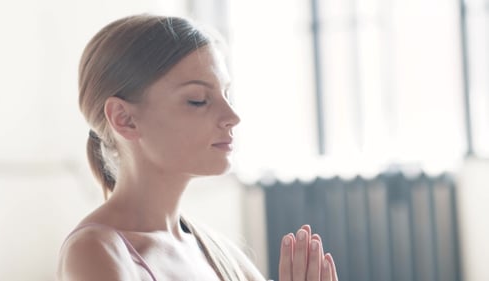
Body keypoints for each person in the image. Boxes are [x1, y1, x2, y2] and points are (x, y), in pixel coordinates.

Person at [57, 14, 338, 281]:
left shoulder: (221, 253)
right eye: (198, 100)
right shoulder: (95, 251)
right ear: (124, 119)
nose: (232, 117)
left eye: (226, 94)